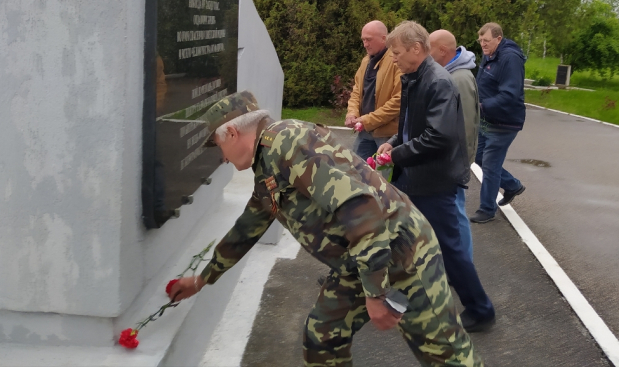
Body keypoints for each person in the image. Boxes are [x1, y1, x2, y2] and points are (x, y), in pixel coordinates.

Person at [170, 91, 482, 366]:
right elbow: (249, 226)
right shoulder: (267, 158)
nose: (221, 158)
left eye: (218, 146)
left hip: (403, 253)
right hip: (360, 260)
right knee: (323, 336)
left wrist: (375, 294)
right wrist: (202, 278)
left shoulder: (287, 143)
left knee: (445, 354)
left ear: (233, 132)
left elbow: (360, 207)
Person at [378, 21, 495, 332]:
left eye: (397, 52)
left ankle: (480, 309)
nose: (393, 58)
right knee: (402, 240)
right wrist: (393, 143)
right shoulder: (415, 77)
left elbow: (438, 137)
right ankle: (403, 298)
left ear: (416, 49)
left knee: (449, 249)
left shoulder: (438, 81)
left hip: (434, 182)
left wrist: (396, 155)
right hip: (414, 177)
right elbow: (410, 127)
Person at [429, 29, 480, 261]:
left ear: (442, 50)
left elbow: (466, 125)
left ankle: (464, 265)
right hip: (449, 159)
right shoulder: (449, 74)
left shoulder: (459, 78)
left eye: (430, 48)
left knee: (456, 212)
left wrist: (457, 163)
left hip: (454, 161)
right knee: (449, 211)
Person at [470, 23, 526, 224]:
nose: (483, 44)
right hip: (486, 119)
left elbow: (510, 94)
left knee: (491, 164)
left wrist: (482, 106)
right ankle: (512, 185)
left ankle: (487, 209)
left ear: (499, 38)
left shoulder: (510, 58)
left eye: (486, 40)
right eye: (480, 41)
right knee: (478, 156)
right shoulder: (490, 54)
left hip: (504, 122)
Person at [346, 20, 402, 161]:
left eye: (369, 40)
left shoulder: (396, 61)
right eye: (363, 40)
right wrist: (352, 113)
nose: (365, 44)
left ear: (384, 38)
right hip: (365, 130)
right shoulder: (366, 61)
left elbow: (399, 100)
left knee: (386, 174)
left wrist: (368, 120)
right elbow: (357, 92)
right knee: (356, 169)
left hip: (387, 135)